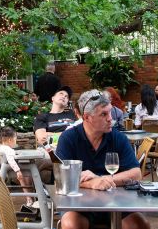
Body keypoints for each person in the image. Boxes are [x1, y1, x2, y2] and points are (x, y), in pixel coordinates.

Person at [56, 90, 147, 229]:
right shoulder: (68, 138)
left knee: (140, 224)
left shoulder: (118, 138)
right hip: (79, 204)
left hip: (117, 202)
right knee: (71, 224)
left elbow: (136, 174)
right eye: (103, 114)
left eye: (110, 112)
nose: (110, 118)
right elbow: (63, 179)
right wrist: (92, 183)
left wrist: (103, 178)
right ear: (87, 117)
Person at [0, 126, 36, 210]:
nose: (16, 141)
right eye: (15, 139)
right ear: (10, 140)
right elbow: (11, 160)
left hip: (7, 171)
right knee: (32, 172)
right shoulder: (8, 150)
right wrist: (18, 171)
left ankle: (30, 198)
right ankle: (30, 197)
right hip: (13, 171)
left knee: (26, 176)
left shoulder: (1, 147)